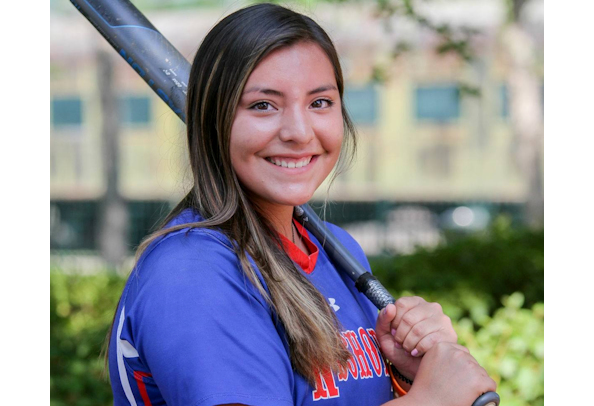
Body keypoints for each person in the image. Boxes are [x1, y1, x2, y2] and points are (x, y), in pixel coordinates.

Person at [108, 3, 497, 406]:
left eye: (320, 103)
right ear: (214, 120)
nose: (298, 131)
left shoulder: (339, 250)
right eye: (263, 105)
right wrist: (432, 401)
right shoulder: (193, 269)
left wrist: (408, 374)